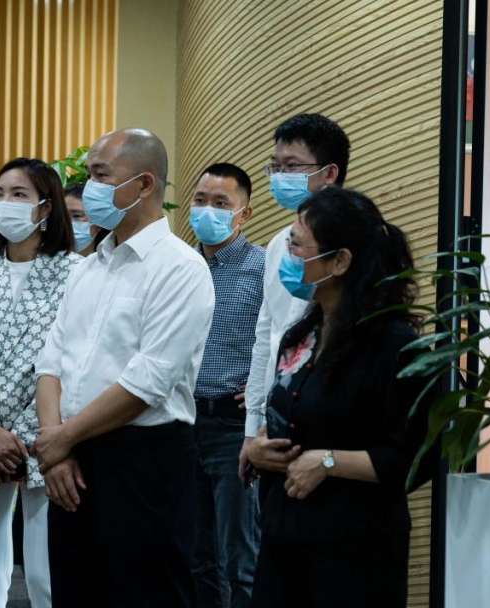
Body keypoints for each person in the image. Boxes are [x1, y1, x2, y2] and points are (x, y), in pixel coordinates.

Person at [32, 129, 215, 607]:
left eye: (100, 175)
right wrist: (57, 447)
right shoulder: (86, 268)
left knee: (145, 593)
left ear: (144, 184)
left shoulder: (180, 268)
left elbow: (149, 379)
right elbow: (51, 362)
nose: (88, 188)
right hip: (71, 456)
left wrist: (61, 439)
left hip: (143, 459)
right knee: (75, 591)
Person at [247, 188, 435, 607]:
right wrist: (260, 445)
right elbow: (291, 414)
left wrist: (329, 462)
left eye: (297, 246)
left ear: (340, 261)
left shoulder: (394, 345)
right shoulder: (301, 334)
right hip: (284, 539)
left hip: (353, 550)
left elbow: (416, 457)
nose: (288, 256)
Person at [0, 157, 79, 608]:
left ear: (46, 207)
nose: (5, 203)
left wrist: (17, 443)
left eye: (19, 194)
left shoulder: (76, 271)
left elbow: (67, 365)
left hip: (45, 436)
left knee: (46, 573)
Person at [239, 114, 351, 482]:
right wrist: (252, 429)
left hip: (331, 420)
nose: (279, 176)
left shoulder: (359, 242)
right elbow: (266, 335)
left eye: (291, 166)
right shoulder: (277, 245)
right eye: (275, 166)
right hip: (276, 421)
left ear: (329, 173)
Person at [187, 163, 265, 607]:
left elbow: (287, 337)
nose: (207, 210)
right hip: (182, 422)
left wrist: (264, 385)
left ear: (244, 213)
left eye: (221, 203)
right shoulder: (180, 266)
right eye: (201, 200)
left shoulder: (263, 267)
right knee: (198, 556)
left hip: (235, 428)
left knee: (242, 558)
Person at [64, 182, 108, 256]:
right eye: (62, 216)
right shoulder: (44, 260)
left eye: (76, 215)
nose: (66, 222)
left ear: (99, 223)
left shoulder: (111, 260)